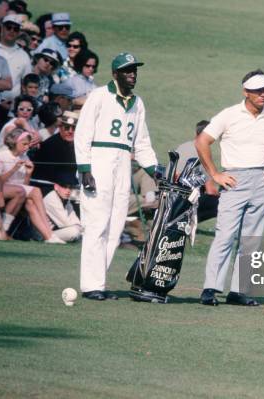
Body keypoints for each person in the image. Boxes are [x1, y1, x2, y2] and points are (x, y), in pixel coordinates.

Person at [196, 69, 264, 306]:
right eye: (258, 90)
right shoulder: (229, 115)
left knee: (252, 238)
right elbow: (202, 142)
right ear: (246, 92)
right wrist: (215, 174)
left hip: (261, 180)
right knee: (225, 235)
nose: (263, 94)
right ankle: (211, 288)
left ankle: (239, 291)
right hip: (234, 180)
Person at [74, 52, 158, 301]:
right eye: (127, 70)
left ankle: (98, 281)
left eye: (135, 70)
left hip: (123, 164)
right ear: (115, 74)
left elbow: (141, 143)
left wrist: (155, 170)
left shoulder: (137, 102)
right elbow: (82, 133)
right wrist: (85, 169)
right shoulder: (99, 96)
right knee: (96, 223)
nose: (133, 74)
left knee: (116, 225)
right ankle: (91, 285)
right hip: (99, 160)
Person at [0, 129, 66, 244]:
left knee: (30, 204)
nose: (27, 147)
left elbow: (24, 186)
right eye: (24, 144)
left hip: (19, 192)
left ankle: (48, 236)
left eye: (28, 144)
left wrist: (28, 173)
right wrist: (14, 169)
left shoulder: (24, 157)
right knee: (37, 190)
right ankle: (49, 229)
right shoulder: (2, 155)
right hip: (2, 189)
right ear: (14, 142)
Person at [175, 120, 219, 223]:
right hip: (182, 200)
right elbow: (211, 191)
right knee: (220, 202)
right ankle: (186, 220)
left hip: (170, 194)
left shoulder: (183, 146)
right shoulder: (203, 153)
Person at [0, 14, 31, 108]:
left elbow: (26, 84)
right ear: (2, 28)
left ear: (19, 32)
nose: (12, 31)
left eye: (15, 29)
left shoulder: (24, 56)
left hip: (12, 107)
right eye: (9, 27)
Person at [43, 171, 83, 243]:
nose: (68, 191)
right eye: (64, 186)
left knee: (80, 231)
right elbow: (65, 223)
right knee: (74, 232)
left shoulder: (66, 200)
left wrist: (80, 227)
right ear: (56, 187)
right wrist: (80, 228)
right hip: (41, 234)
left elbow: (74, 219)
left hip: (53, 231)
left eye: (70, 187)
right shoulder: (51, 198)